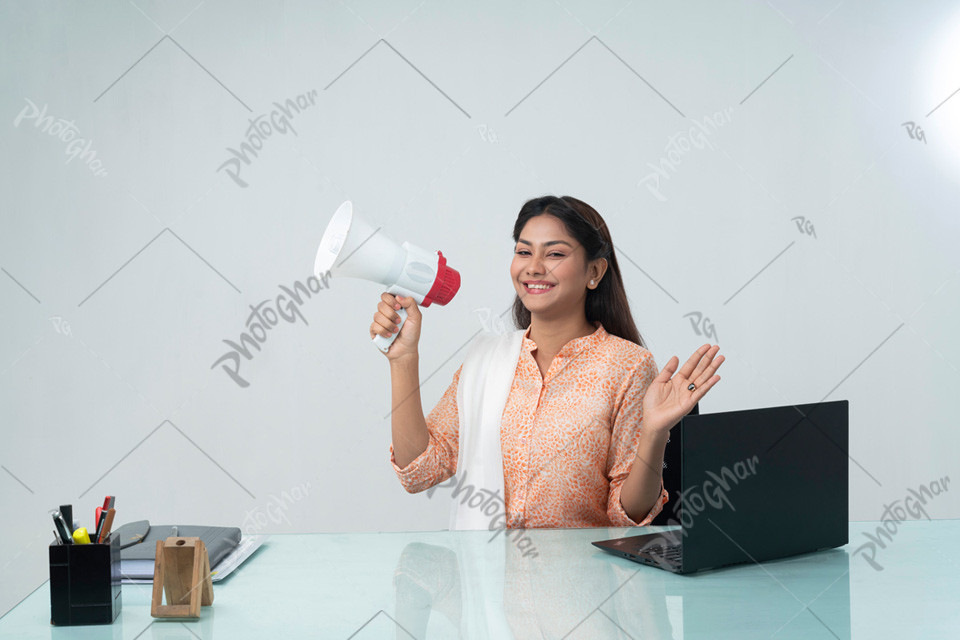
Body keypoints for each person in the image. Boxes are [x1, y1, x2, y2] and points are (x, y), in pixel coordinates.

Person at [372, 195, 724, 528]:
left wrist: (654, 432)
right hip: (488, 585)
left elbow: (626, 515)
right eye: (524, 251)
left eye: (554, 253)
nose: (534, 268)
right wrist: (403, 359)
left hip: (585, 585)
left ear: (595, 272)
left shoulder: (628, 366)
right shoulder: (487, 362)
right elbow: (420, 472)